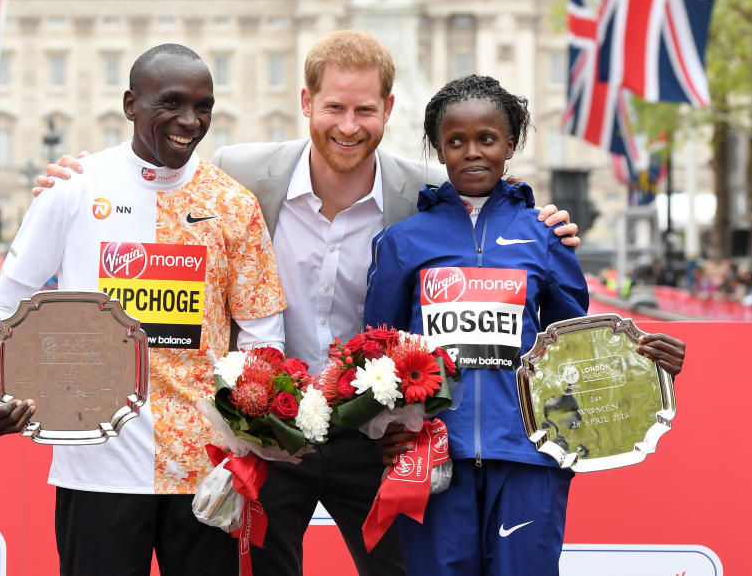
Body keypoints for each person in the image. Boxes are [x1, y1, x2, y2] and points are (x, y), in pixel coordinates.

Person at [35, 31, 582, 576]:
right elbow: (155, 180)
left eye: (365, 109)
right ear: (306, 103)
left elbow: (495, 216)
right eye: (334, 107)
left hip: (376, 436)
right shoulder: (238, 172)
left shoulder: (426, 190)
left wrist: (549, 225)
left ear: (388, 109)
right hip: (273, 432)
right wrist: (77, 178)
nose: (348, 126)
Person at [0, 43, 287, 576]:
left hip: (203, 469)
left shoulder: (234, 204)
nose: (190, 121)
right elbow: (7, 300)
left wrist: (246, 445)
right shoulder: (72, 189)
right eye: (171, 103)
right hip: (96, 465)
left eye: (203, 107)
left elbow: (262, 336)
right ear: (130, 104)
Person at [365, 74, 685, 576]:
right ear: (437, 147)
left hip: (531, 453)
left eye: (487, 139)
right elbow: (376, 354)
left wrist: (650, 364)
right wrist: (382, 428)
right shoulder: (402, 242)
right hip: (432, 457)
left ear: (510, 143)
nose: (473, 153)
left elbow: (579, 348)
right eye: (456, 141)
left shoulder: (545, 236)